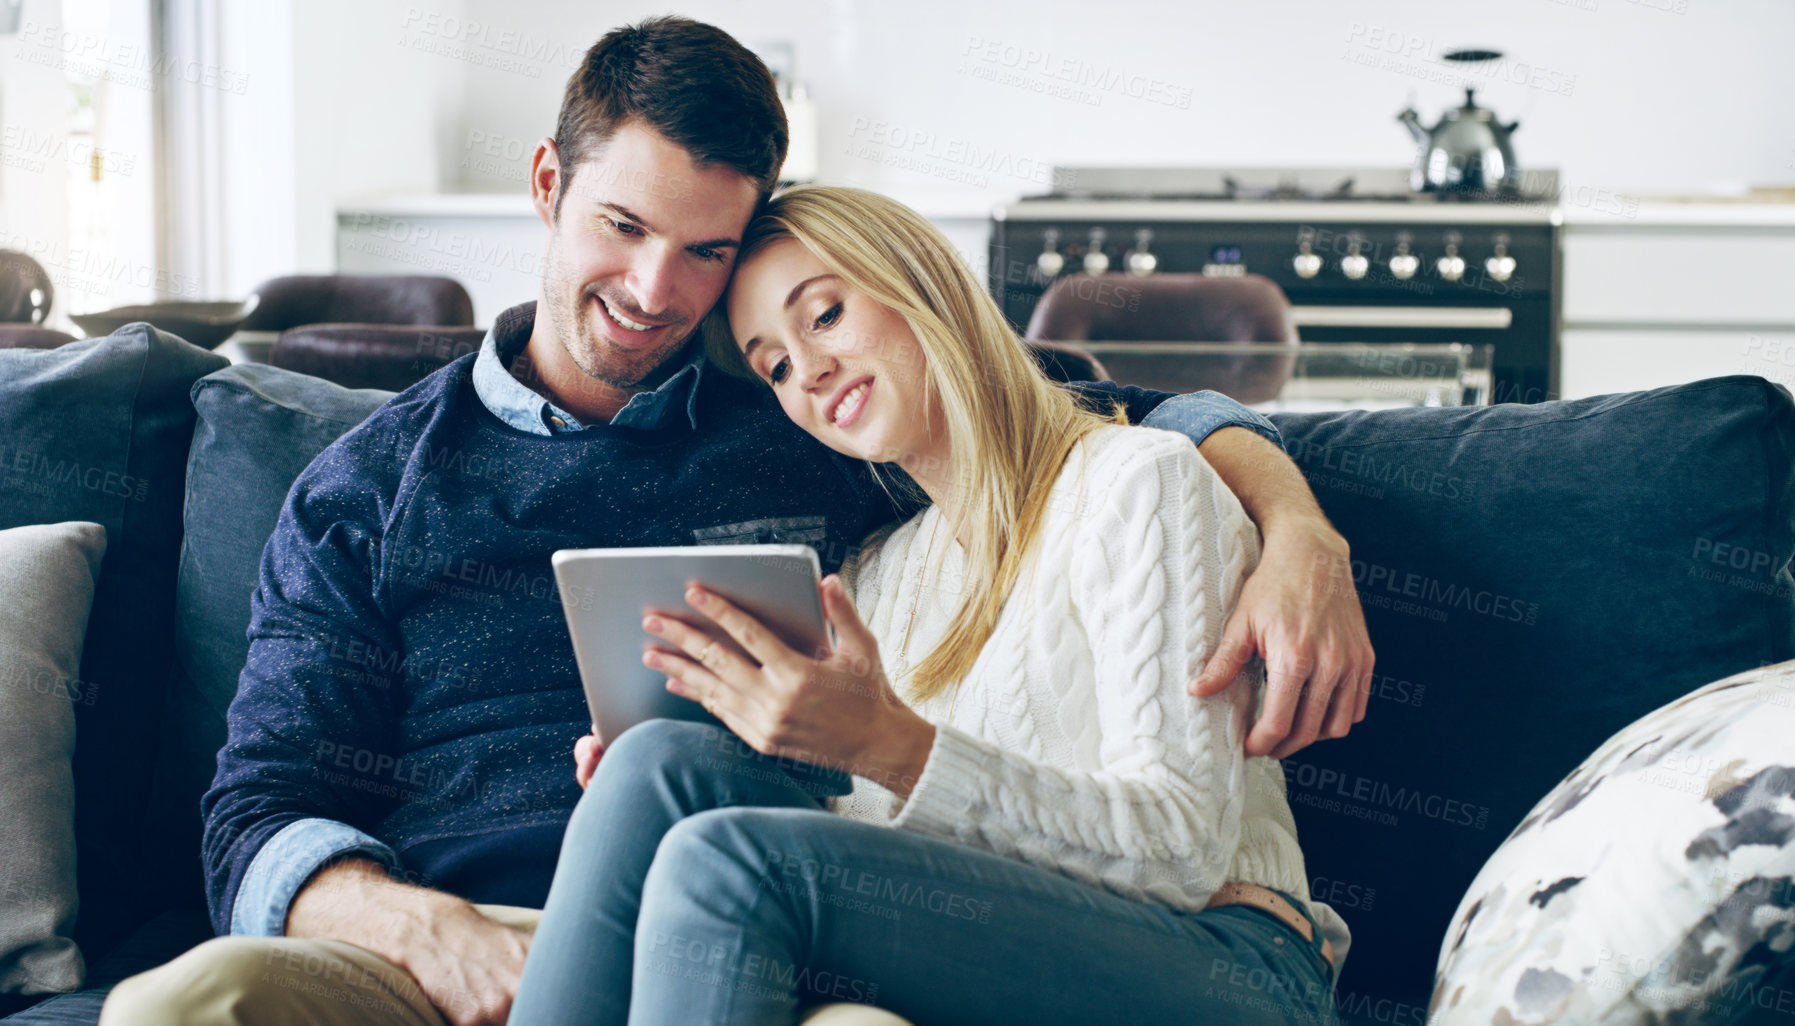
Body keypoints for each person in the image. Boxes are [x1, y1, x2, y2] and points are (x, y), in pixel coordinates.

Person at [101, 16, 1371, 1026]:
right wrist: (427, 929)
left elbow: (1085, 423)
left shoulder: (817, 427)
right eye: (623, 225)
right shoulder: (366, 485)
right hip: (438, 937)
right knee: (189, 1002)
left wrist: (1299, 526)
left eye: (707, 251)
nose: (657, 291)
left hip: (747, 914)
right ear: (549, 184)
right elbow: (254, 815)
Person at [506, 185, 1349, 1026]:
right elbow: (899, 851)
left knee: (731, 864)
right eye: (775, 366)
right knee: (656, 762)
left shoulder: (1140, 482)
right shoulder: (877, 573)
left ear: (918, 282)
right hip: (1017, 945)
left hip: (1229, 961)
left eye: (825, 316)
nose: (810, 372)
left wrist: (892, 746)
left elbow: (1181, 852)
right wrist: (774, 739)